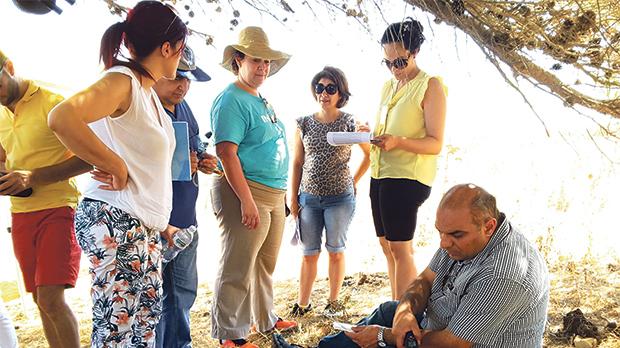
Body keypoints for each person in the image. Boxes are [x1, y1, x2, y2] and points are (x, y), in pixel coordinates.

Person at [48, 1, 188, 346]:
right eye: (180, 50)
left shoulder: (147, 92)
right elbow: (62, 117)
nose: (180, 60)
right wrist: (114, 164)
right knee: (117, 333)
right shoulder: (121, 80)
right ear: (167, 47)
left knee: (142, 329)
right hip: (116, 220)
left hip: (142, 226)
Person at [274, 184, 550, 348]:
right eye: (440, 232)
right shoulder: (462, 237)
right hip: (436, 326)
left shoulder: (505, 273)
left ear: (489, 226)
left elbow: (452, 344)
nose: (444, 243)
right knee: (390, 310)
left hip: (454, 343)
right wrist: (406, 313)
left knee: (378, 335)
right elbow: (425, 280)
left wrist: (386, 337)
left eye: (454, 235)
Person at [209, 26, 297, 348]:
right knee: (238, 263)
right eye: (256, 60)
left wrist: (283, 196)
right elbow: (226, 152)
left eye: (266, 62)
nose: (263, 67)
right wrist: (245, 200)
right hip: (245, 191)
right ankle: (230, 335)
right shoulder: (231, 98)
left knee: (265, 262)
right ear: (238, 61)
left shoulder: (262, 99)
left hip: (274, 194)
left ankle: (265, 319)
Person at [0, 49, 90, 348]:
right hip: (20, 213)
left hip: (59, 207)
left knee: (52, 297)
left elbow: (88, 158)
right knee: (41, 300)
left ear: (9, 67)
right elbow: (3, 157)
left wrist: (32, 177)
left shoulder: (54, 102)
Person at [369, 18, 447, 299]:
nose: (394, 68)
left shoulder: (430, 86)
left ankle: (405, 317)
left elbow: (435, 143)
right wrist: (370, 134)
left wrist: (398, 141)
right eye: (387, 62)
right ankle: (395, 307)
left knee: (401, 247)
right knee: (386, 244)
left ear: (414, 52)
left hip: (407, 176)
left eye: (399, 61)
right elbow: (388, 130)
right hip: (380, 173)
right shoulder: (388, 87)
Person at [289, 66, 370, 318]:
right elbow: (297, 163)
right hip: (309, 199)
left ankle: (333, 303)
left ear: (340, 93)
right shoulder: (303, 123)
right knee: (308, 254)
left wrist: (353, 180)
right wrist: (293, 197)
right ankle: (303, 304)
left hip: (340, 199)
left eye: (330, 88)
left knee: (335, 250)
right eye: (320, 88)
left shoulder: (349, 122)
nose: (324, 93)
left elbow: (369, 157)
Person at [152, 45, 218, 348]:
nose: (183, 85)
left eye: (189, 79)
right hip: (155, 224)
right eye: (177, 77)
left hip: (186, 221)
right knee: (155, 302)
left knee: (182, 295)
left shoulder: (185, 107)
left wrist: (203, 160)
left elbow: (193, 147)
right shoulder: (144, 109)